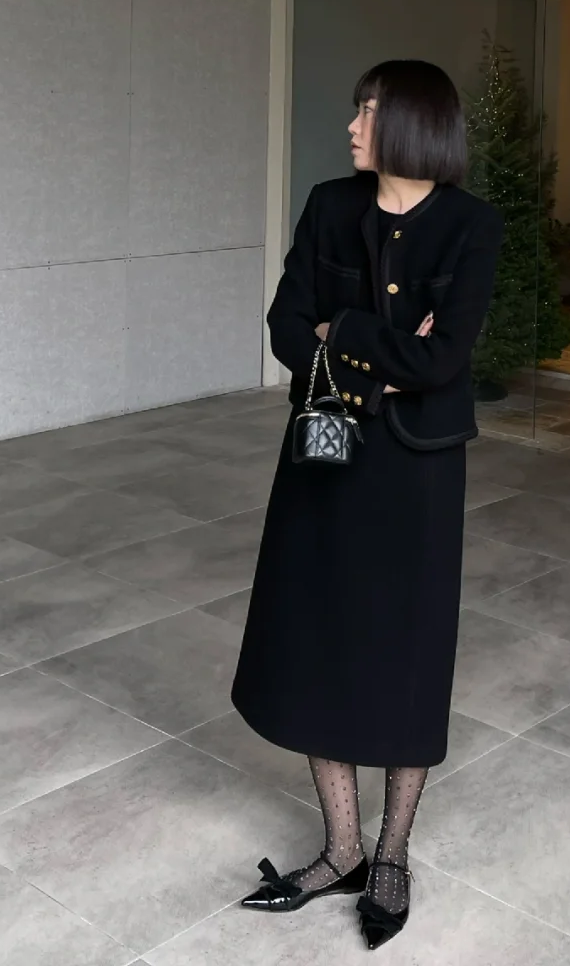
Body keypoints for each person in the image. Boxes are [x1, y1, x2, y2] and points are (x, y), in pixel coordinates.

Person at [232, 59, 503, 951]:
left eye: (369, 111)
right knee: (319, 639)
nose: (352, 126)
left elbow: (443, 360)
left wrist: (341, 328)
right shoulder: (328, 205)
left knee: (407, 653)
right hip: (325, 451)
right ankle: (342, 847)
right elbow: (284, 325)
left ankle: (391, 854)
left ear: (415, 124)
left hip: (418, 471)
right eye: (357, 110)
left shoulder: (471, 226)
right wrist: (381, 354)